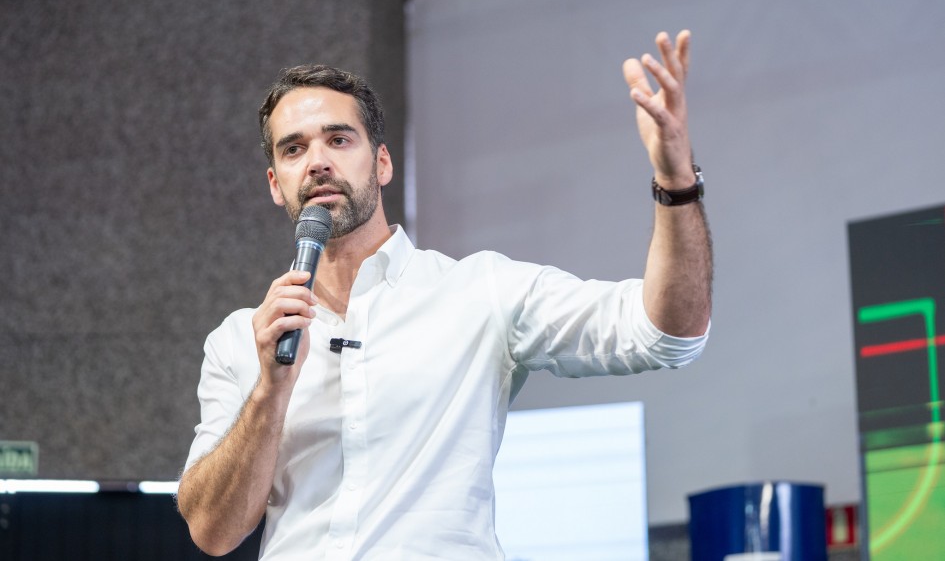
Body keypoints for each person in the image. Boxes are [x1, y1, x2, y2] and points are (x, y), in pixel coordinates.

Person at [177, 30, 712, 560]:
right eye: (294, 149)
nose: (317, 161)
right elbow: (212, 532)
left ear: (381, 163)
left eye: (338, 140)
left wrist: (676, 181)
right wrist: (269, 391)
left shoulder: (480, 291)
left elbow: (666, 334)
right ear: (276, 183)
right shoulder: (240, 339)